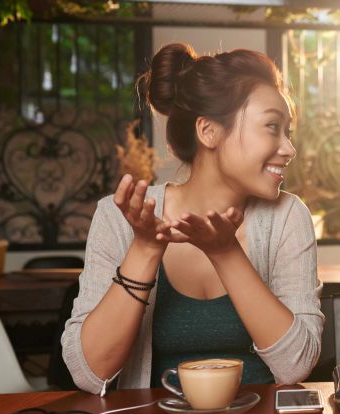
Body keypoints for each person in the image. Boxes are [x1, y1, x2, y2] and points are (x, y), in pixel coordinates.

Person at [62, 43, 323, 394]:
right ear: (209, 132)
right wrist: (144, 249)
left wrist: (225, 253)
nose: (289, 149)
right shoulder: (120, 216)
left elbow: (297, 365)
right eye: (272, 127)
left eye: (287, 132)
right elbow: (90, 374)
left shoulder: (288, 217)